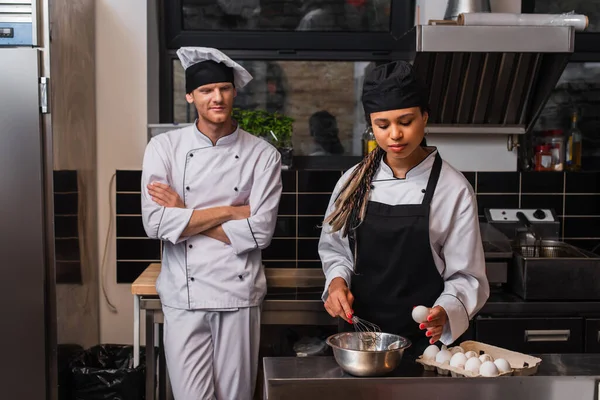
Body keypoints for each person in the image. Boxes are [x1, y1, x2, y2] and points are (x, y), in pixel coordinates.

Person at [319, 60, 489, 355]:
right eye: (382, 125)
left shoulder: (453, 189)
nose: (394, 135)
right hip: (362, 340)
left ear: (425, 117)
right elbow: (336, 251)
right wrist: (336, 284)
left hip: (428, 344)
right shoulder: (352, 182)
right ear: (371, 125)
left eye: (406, 121)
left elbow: (467, 276)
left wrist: (446, 312)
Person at [141, 46, 282, 399]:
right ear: (190, 95)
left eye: (224, 88)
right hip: (183, 296)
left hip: (238, 295)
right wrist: (233, 211)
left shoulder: (263, 155)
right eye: (206, 90)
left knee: (236, 396)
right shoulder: (163, 148)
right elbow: (156, 224)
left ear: (234, 92)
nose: (216, 98)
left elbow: (261, 232)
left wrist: (184, 211)